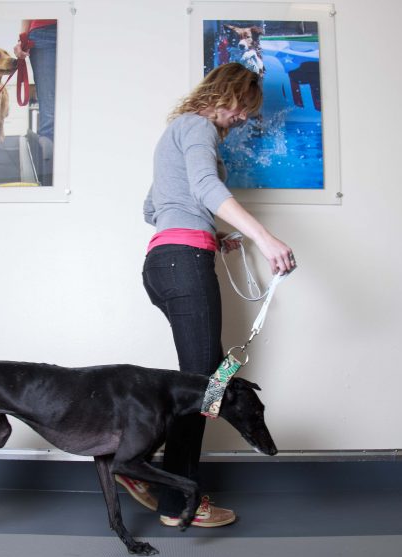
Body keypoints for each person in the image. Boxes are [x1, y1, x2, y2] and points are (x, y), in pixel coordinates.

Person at [117, 62, 295, 527]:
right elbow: (204, 186)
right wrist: (263, 237)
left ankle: (145, 470)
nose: (243, 119)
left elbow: (153, 206)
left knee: (210, 384)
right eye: (244, 108)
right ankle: (177, 502)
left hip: (163, 263)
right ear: (227, 93)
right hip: (183, 263)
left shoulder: (174, 134)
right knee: (202, 389)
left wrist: (213, 232)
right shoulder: (197, 127)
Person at [14, 19, 56, 184]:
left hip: (84, 25)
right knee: (50, 115)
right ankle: (48, 186)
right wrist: (22, 38)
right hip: (44, 31)